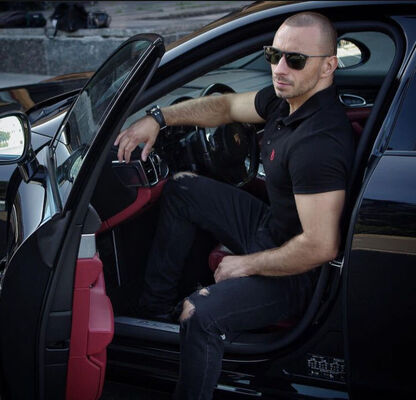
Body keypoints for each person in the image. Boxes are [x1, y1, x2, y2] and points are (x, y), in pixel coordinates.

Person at [114, 11, 354, 400]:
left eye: (295, 60)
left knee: (199, 314)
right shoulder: (285, 101)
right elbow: (225, 107)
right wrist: (159, 118)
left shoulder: (318, 143)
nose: (279, 68)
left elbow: (320, 246)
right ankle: (154, 310)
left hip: (297, 273)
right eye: (273, 54)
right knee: (183, 188)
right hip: (272, 228)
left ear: (328, 66)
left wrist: (245, 264)